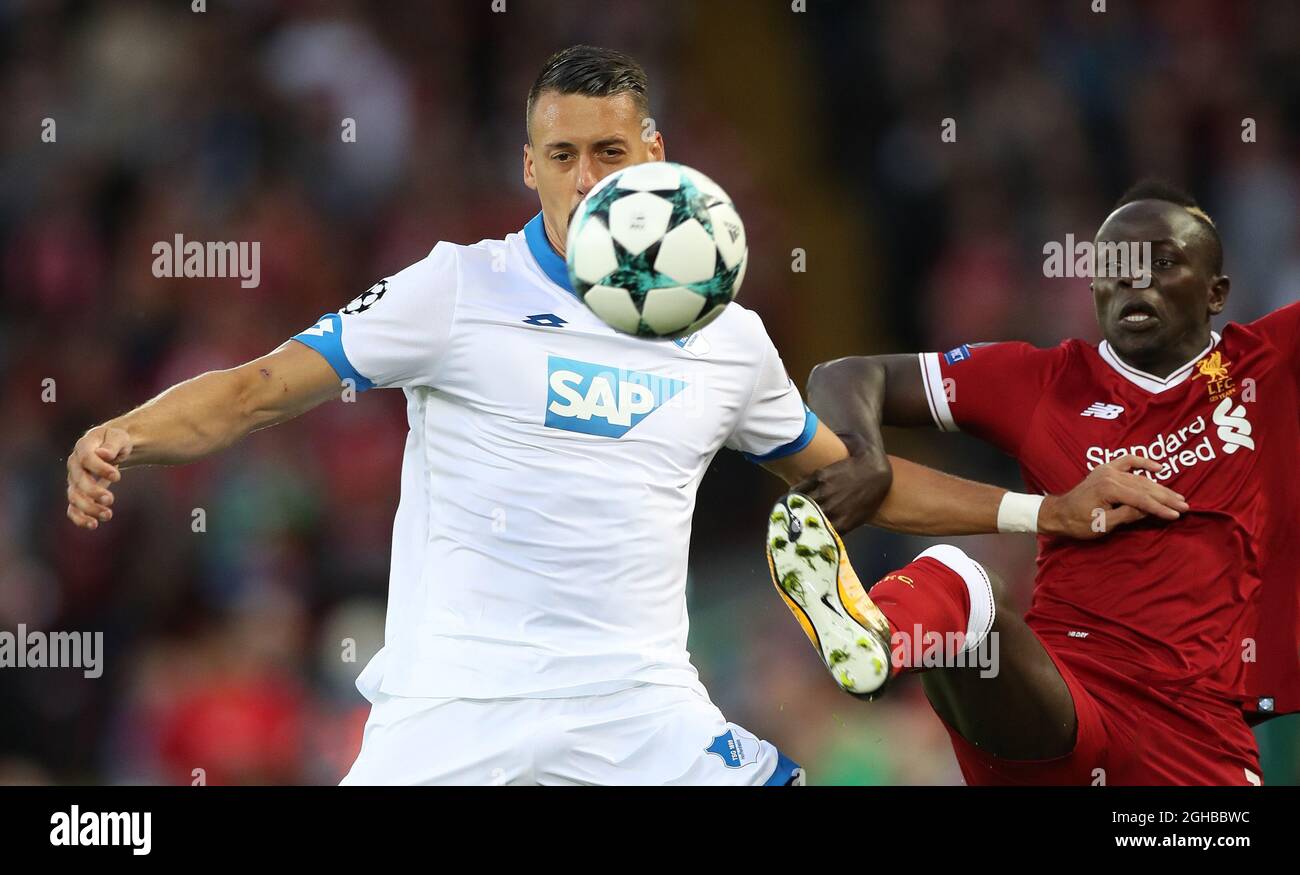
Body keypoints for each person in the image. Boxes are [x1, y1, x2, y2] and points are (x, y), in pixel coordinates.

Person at [63, 46, 1172, 785]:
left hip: (640, 705)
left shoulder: (726, 334)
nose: (586, 177)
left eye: (609, 151)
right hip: (455, 705)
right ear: (528, 165)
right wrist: (124, 432)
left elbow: (853, 477)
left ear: (653, 155)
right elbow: (255, 389)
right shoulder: (457, 288)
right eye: (561, 155)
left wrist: (1044, 514)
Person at [777, 180, 1299, 785]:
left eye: (1161, 262)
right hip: (1063, 702)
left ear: (1216, 292)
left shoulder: (1265, 365)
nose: (1134, 279)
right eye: (1114, 266)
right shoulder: (1046, 380)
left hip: (1199, 733)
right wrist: (866, 452)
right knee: (964, 582)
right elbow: (846, 375)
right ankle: (871, 633)